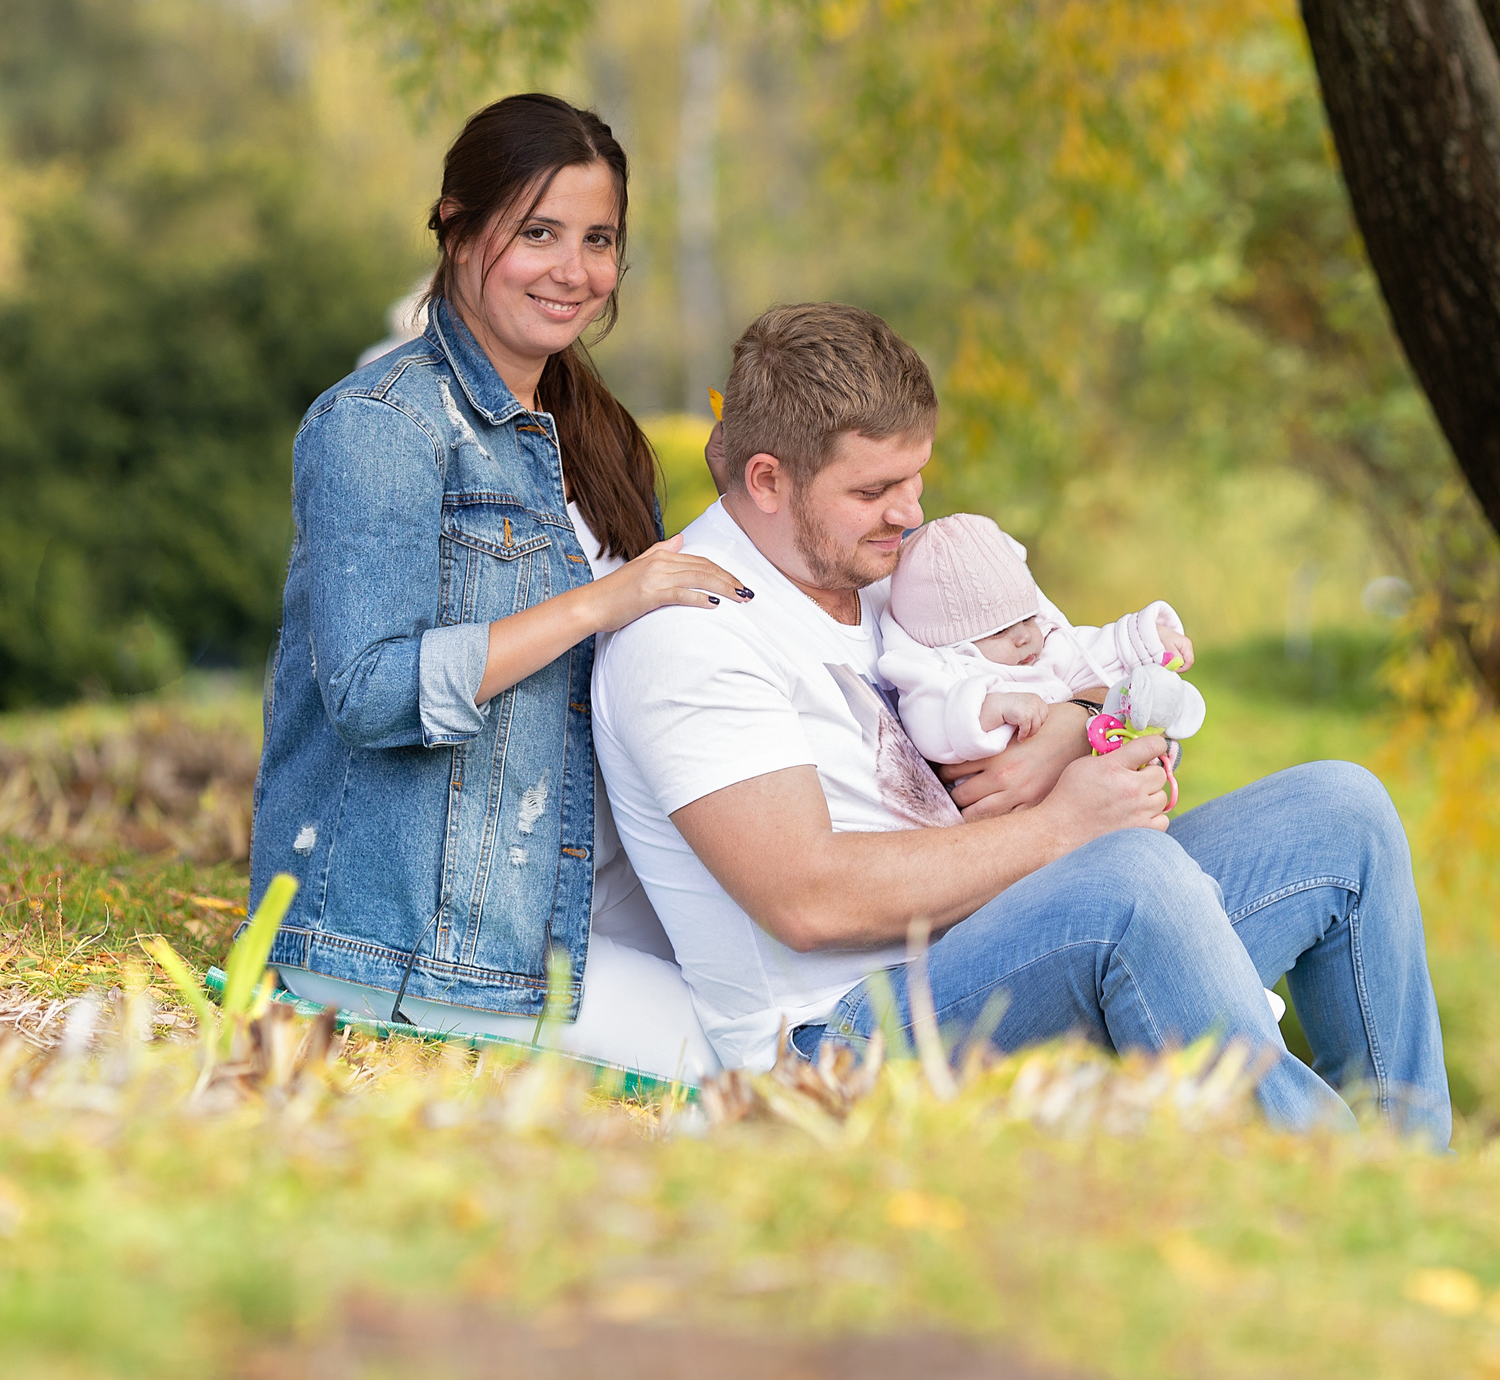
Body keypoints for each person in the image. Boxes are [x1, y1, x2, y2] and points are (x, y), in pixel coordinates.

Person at [591, 303, 1450, 1139]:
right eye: (874, 489)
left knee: (1344, 813)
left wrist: (1075, 730)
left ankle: (1417, 1168)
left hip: (1015, 925)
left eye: (915, 478)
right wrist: (1065, 828)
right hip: (840, 1040)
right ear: (768, 479)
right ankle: (1350, 1188)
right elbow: (806, 896)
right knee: (1134, 884)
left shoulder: (895, 564)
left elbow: (1077, 670)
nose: (910, 513)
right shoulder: (690, 631)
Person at [247, 93, 748, 1083]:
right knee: (735, 1057)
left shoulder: (595, 437)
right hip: (437, 931)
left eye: (598, 239)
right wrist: (599, 604)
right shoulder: (380, 424)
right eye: (538, 233)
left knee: (831, 994)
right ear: (455, 225)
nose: (575, 271)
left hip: (587, 881)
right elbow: (368, 691)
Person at [878, 511, 1205, 768]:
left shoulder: (1046, 649)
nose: (1024, 637)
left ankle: (1152, 748)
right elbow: (930, 723)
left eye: (1027, 619)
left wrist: (1150, 637)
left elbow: (1095, 649)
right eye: (998, 632)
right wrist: (991, 708)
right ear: (947, 644)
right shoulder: (949, 675)